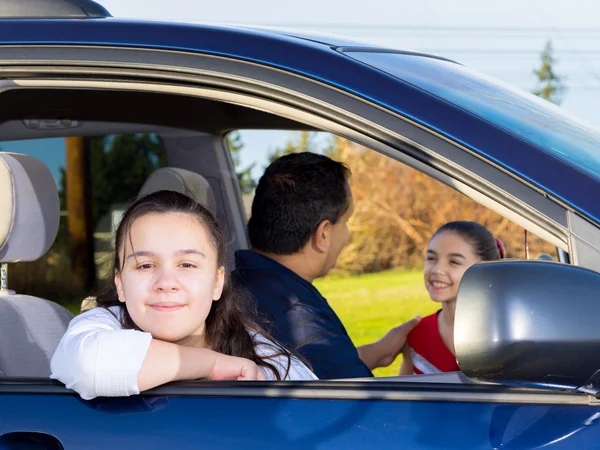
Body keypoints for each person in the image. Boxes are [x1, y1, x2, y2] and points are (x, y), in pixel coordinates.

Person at [51, 190, 316, 400]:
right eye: (145, 265)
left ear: (217, 282)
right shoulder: (102, 324)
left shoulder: (259, 351)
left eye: (187, 264)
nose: (166, 283)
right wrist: (212, 366)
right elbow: (87, 363)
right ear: (120, 284)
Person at [234, 152, 421, 380]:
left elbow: (316, 369)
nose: (347, 236)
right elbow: (363, 406)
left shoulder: (239, 285)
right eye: (345, 221)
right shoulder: (301, 323)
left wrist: (379, 352)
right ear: (322, 235)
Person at [400, 221, 505, 375]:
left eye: (454, 262)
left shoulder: (505, 333)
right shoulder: (417, 334)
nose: (437, 270)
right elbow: (405, 397)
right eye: (431, 258)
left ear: (485, 270)